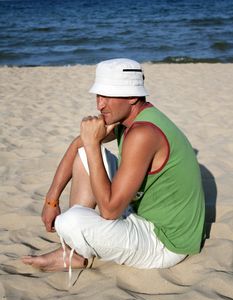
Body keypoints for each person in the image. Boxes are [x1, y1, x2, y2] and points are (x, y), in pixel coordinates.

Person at [22, 58, 205, 275]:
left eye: (108, 95)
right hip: (144, 215)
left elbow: (109, 211)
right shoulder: (130, 118)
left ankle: (75, 252)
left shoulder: (143, 133)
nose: (100, 104)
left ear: (133, 96)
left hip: (165, 242)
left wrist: (92, 144)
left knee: (70, 222)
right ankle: (73, 252)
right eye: (99, 95)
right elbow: (76, 145)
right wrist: (52, 200)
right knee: (84, 153)